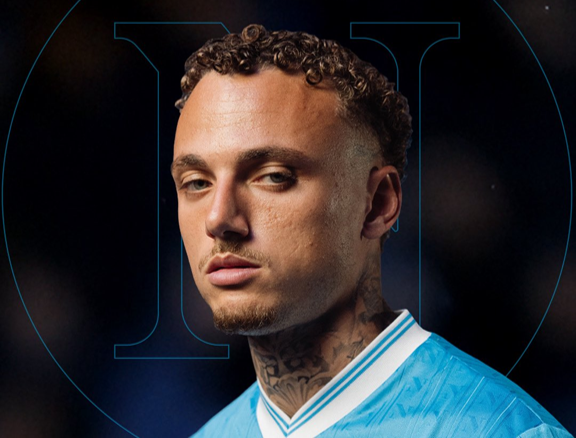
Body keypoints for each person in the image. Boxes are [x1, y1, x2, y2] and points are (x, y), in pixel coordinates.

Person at [171, 24, 571, 438]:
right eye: (196, 182)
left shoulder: (500, 430)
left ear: (377, 203)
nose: (218, 218)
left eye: (273, 176)